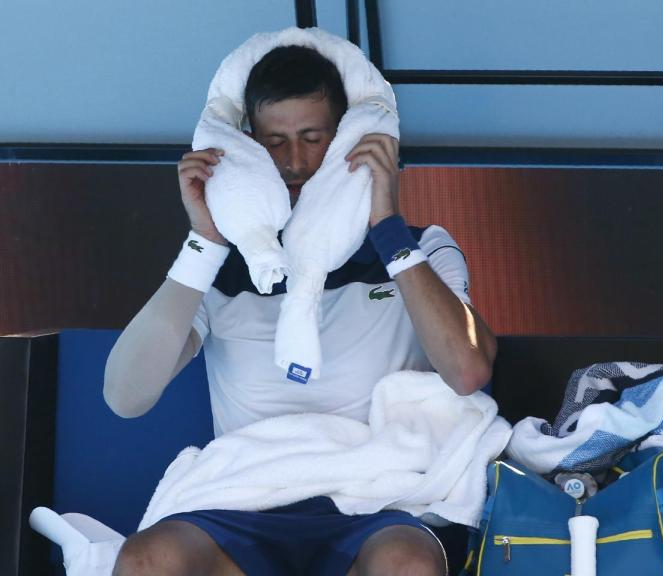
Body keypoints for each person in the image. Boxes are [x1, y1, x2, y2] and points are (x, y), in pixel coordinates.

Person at [103, 44, 497, 576]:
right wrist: (204, 242)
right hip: (244, 498)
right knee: (148, 561)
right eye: (274, 143)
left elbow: (468, 369)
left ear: (350, 139)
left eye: (314, 139)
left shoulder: (417, 246)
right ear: (246, 150)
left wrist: (386, 229)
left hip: (375, 500)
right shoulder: (221, 264)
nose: (294, 162)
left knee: (407, 566)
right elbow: (125, 397)